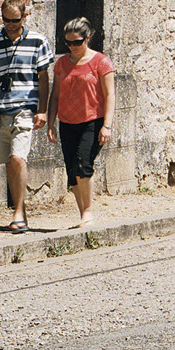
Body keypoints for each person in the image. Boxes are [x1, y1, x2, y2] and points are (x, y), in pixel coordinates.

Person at [0, 0, 52, 233]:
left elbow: (44, 78)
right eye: (6, 20)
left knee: (19, 158)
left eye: (15, 20)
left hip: (25, 110)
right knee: (9, 162)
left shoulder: (38, 41)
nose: (10, 24)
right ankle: (22, 211)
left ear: (24, 17)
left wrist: (43, 110)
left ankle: (17, 211)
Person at [51, 17, 111, 228]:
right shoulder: (61, 63)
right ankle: (82, 212)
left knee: (83, 164)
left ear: (87, 38)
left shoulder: (101, 62)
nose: (73, 47)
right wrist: (51, 122)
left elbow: (110, 95)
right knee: (72, 169)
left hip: (92, 120)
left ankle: (88, 211)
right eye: (68, 43)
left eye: (77, 42)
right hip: (67, 121)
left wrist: (107, 125)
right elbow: (55, 95)